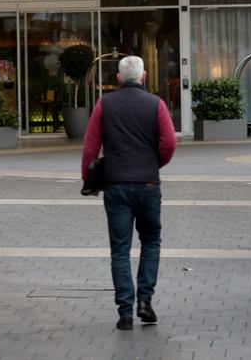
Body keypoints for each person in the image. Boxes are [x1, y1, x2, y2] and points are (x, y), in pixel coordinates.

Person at [82, 55, 177, 330]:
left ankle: (125, 312)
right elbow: (169, 143)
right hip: (148, 185)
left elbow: (90, 146)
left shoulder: (105, 104)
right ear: (144, 77)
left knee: (120, 249)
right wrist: (154, 163)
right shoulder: (156, 104)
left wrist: (89, 182)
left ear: (119, 79)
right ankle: (145, 301)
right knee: (151, 242)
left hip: (116, 186)